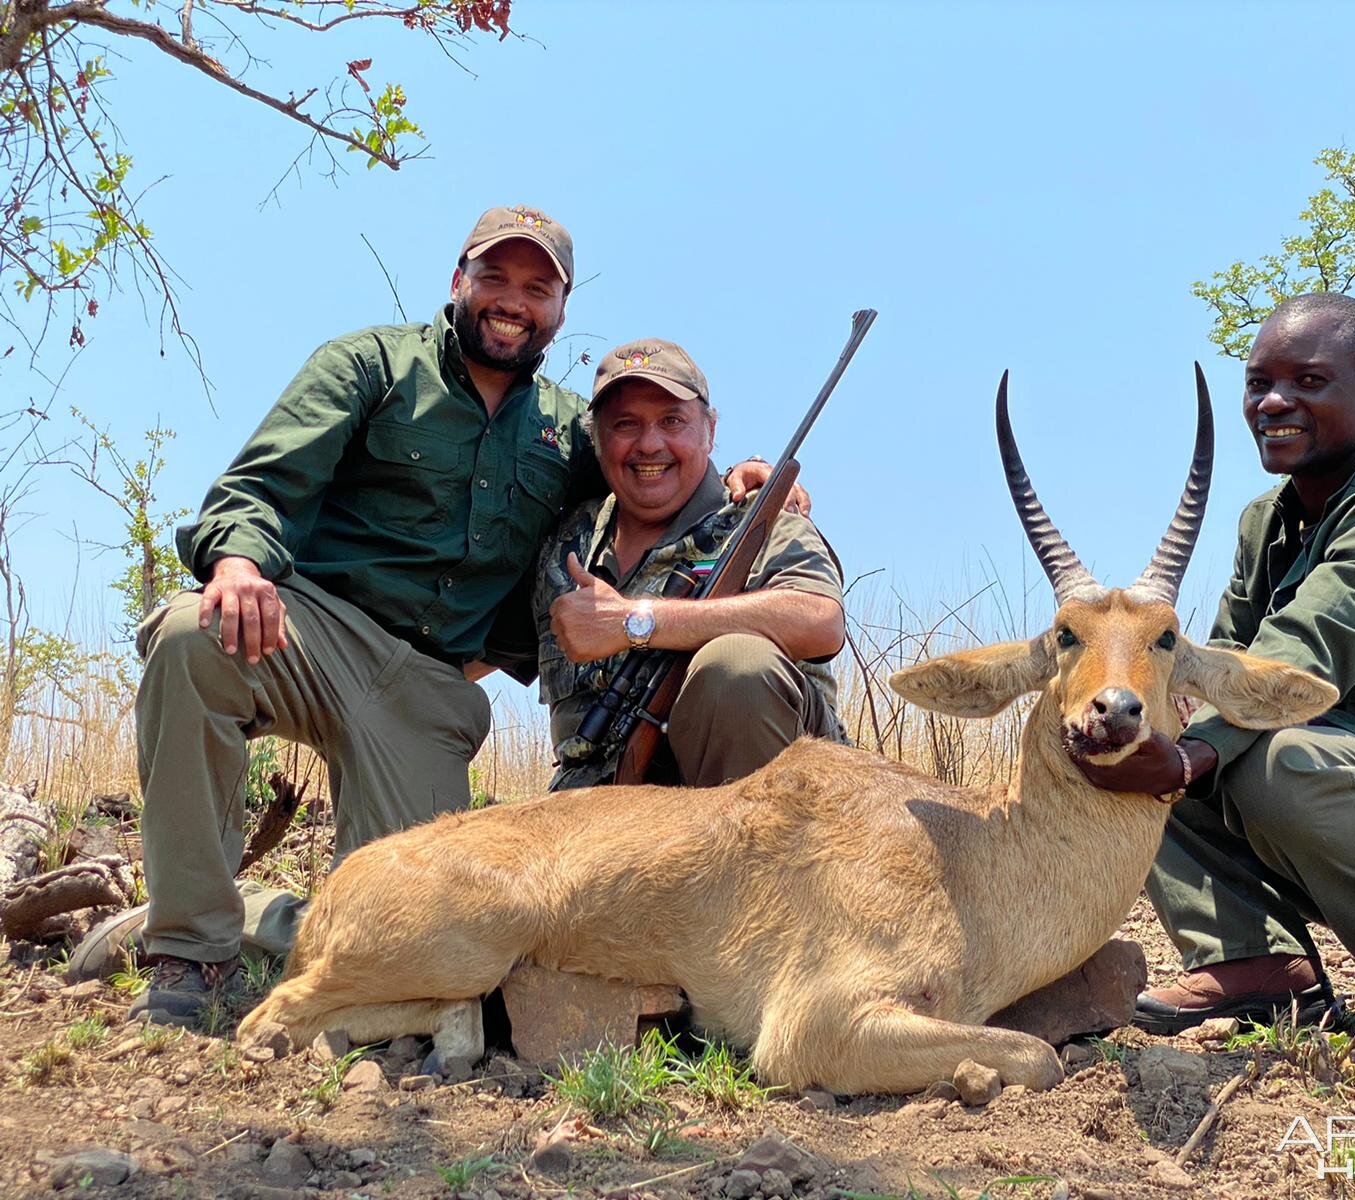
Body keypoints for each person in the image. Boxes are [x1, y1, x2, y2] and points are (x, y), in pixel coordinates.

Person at [68, 208, 780, 1025]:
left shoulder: (567, 429)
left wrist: (742, 479)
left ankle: (261, 912)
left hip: (428, 692)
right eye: (495, 279)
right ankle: (189, 950)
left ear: (560, 310)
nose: (513, 302)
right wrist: (234, 564)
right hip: (314, 634)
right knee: (197, 634)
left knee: (416, 944)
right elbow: (257, 488)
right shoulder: (368, 364)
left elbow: (650, 464)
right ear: (458, 282)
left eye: (536, 288)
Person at [1071, 293, 1355, 1043]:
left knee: (1270, 762)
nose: (1273, 402)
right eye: (1257, 384)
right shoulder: (1265, 521)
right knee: (1134, 741)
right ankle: (1257, 965)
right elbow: (1209, 668)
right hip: (1346, 780)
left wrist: (1189, 757)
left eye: (1308, 381)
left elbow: (1293, 657)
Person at [499, 337, 848, 790]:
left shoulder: (761, 522)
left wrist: (635, 621)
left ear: (710, 431)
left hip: (787, 806)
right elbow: (476, 645)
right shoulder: (564, 540)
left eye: (672, 421)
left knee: (737, 664)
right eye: (625, 424)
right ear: (596, 440)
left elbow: (820, 620)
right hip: (594, 808)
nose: (649, 444)